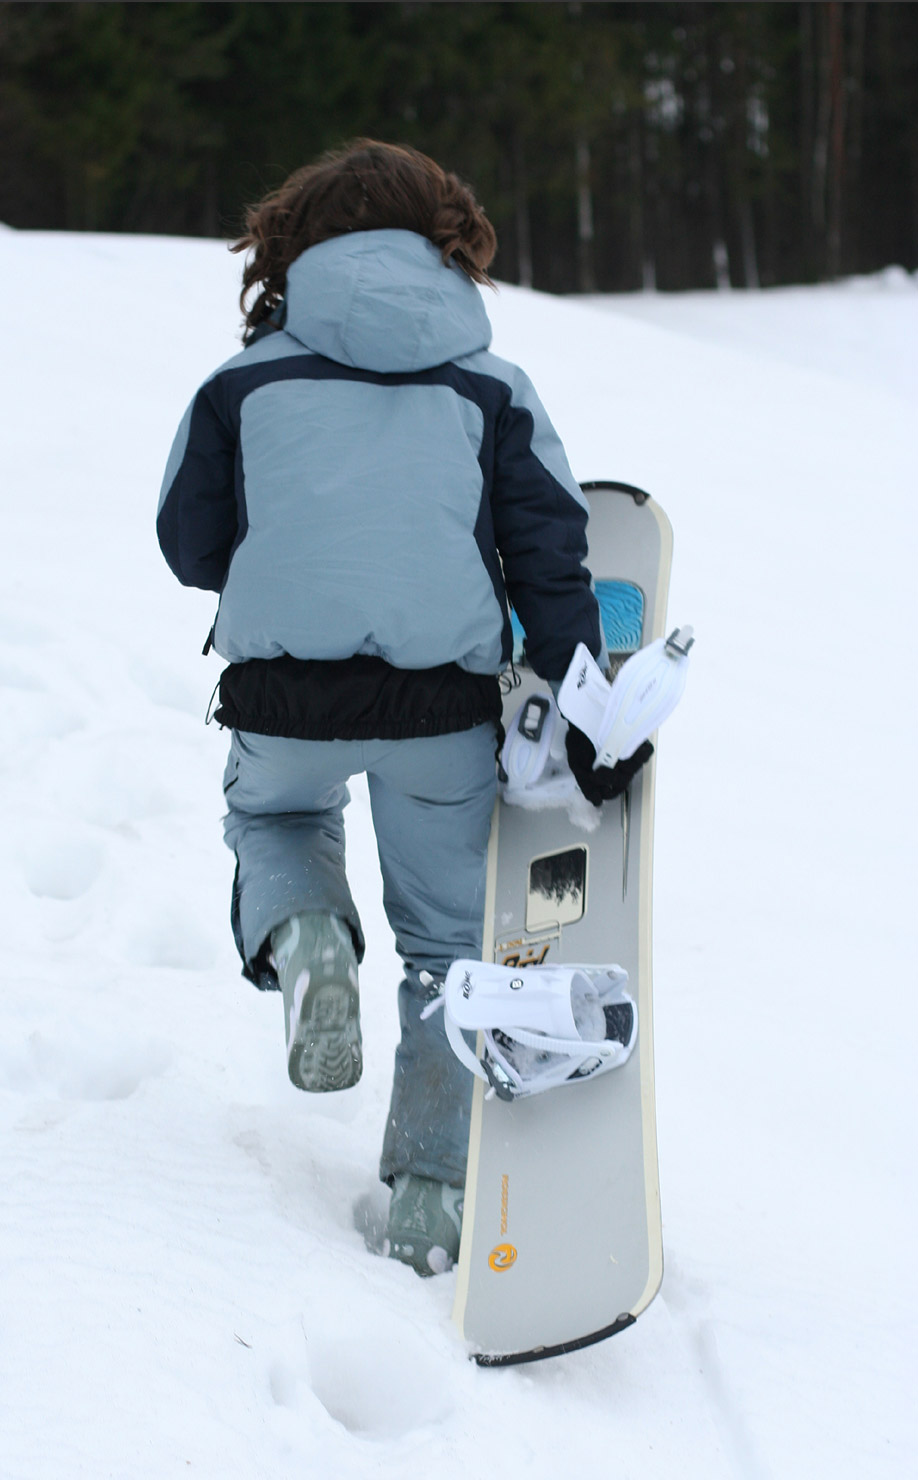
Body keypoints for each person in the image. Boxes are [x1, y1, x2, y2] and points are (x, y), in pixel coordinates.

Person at [156, 139, 649, 1277]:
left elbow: (188, 545)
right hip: (440, 712)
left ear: (292, 244)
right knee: (445, 946)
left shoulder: (242, 384)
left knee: (277, 820)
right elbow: (551, 559)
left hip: (281, 696)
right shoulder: (491, 385)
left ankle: (307, 940)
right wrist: (585, 708)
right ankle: (430, 1192)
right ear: (447, 241)